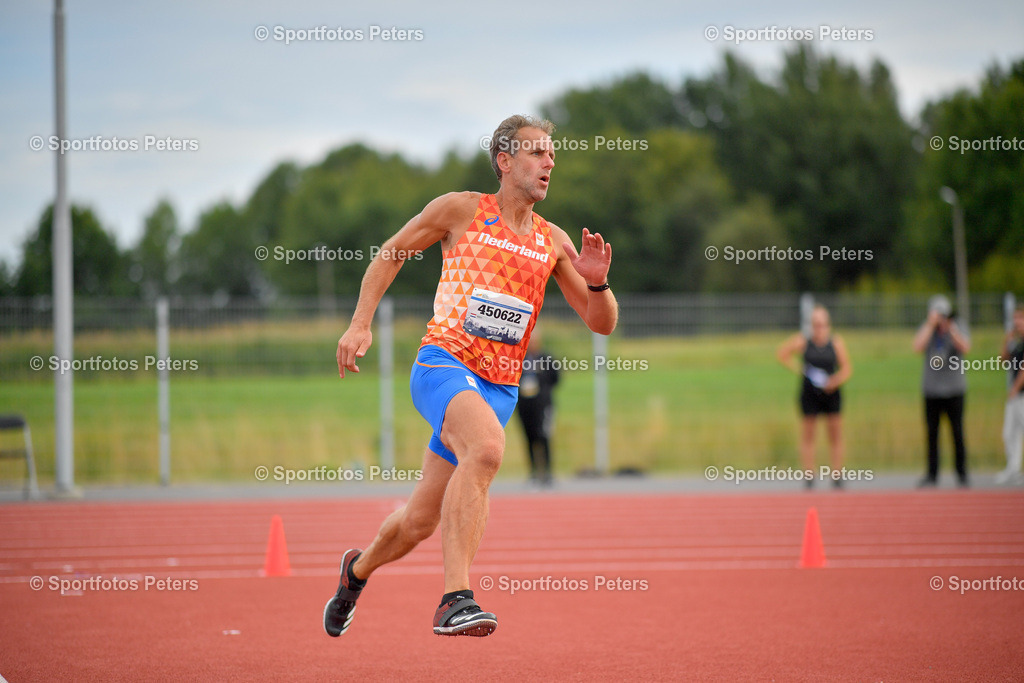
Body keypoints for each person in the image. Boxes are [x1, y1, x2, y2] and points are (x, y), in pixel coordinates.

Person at [324, 115, 617, 638]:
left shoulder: (553, 241)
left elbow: (601, 323)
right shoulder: (461, 210)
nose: (550, 162)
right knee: (486, 450)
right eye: (537, 153)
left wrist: (598, 285)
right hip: (443, 365)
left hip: (498, 388)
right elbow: (391, 252)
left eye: (553, 155)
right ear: (505, 161)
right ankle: (455, 599)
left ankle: (356, 571)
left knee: (418, 521)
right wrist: (360, 323)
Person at [777, 305, 853, 489]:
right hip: (809, 392)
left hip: (831, 392)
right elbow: (782, 354)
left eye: (822, 324)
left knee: (834, 434)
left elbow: (847, 369)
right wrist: (800, 369)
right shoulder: (803, 341)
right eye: (815, 324)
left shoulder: (836, 343)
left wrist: (834, 381)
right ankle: (809, 475)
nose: (819, 328)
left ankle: (837, 474)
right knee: (808, 434)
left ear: (828, 324)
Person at [912, 295, 971, 487]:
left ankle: (961, 473)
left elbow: (966, 347)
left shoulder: (957, 326)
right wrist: (930, 325)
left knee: (957, 432)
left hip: (955, 389)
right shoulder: (928, 329)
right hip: (932, 390)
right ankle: (932, 474)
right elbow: (917, 347)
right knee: (932, 434)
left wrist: (951, 330)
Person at [515, 328, 560, 485]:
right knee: (529, 437)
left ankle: (547, 472)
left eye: (534, 341)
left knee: (544, 436)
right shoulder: (519, 359)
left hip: (542, 405)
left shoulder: (546, 358)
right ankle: (533, 472)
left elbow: (556, 379)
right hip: (524, 404)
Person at [996, 304, 1024, 485]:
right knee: (1009, 433)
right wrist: (1007, 339)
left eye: (1020, 318)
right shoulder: (1017, 343)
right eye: (1015, 319)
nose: (1016, 322)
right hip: (1015, 395)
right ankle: (1013, 468)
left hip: (1021, 394)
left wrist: (1015, 388)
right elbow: (1002, 360)